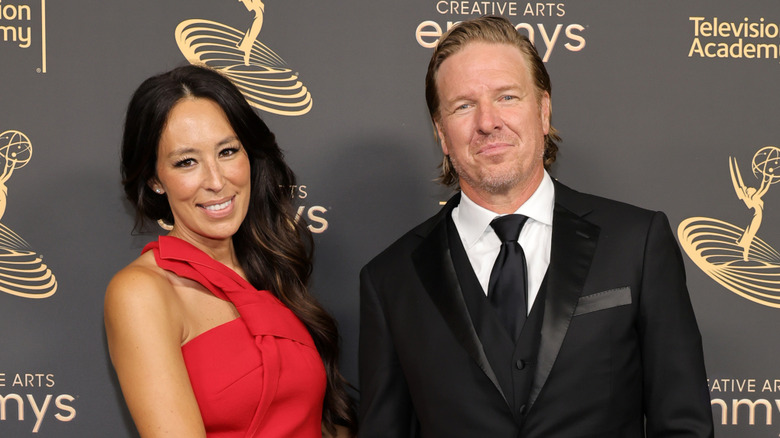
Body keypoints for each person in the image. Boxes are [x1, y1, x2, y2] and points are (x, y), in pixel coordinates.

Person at [358, 15, 714, 437]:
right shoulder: (390, 280)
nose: (487, 122)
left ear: (543, 111)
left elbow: (683, 426)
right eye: (463, 105)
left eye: (507, 97)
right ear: (441, 131)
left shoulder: (637, 243)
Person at [105, 65, 355, 437]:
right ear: (155, 179)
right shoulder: (141, 293)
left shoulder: (269, 271)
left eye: (227, 151)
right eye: (186, 162)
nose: (216, 181)